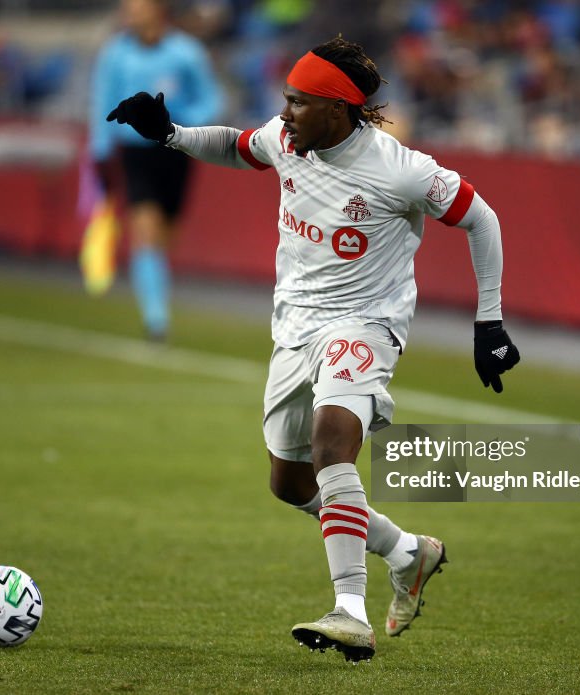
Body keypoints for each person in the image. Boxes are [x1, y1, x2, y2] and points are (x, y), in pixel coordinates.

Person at [107, 36, 520, 662]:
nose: (285, 113)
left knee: (333, 443)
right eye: (285, 101)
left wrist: (488, 322)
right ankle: (409, 554)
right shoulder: (288, 139)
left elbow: (480, 218)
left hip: (365, 324)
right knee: (290, 482)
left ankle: (349, 612)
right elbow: (238, 147)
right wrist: (171, 133)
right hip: (294, 329)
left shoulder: (400, 169)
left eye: (298, 103)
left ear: (338, 109)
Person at [90, 0, 223, 341]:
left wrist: (180, 125)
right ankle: (156, 320)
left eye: (138, 6)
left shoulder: (185, 52)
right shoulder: (115, 54)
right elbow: (102, 103)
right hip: (135, 152)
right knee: (145, 230)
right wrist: (100, 150)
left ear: (157, 9)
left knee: (166, 236)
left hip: (176, 149)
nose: (130, 13)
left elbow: (211, 99)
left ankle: (155, 299)